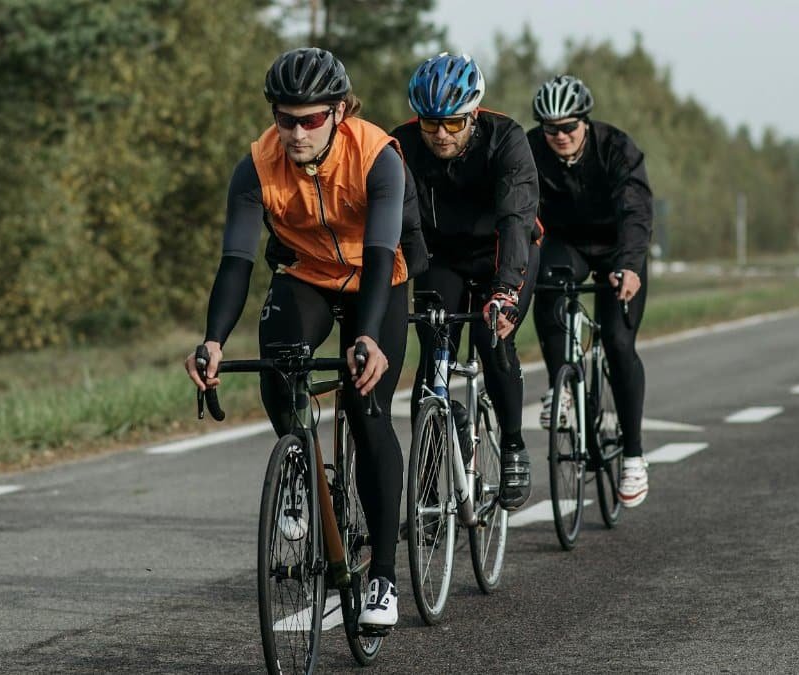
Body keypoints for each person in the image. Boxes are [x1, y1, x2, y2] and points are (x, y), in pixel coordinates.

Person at [184, 47, 427, 629]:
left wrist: (366, 336)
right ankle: (301, 470)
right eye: (284, 118)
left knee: (366, 407)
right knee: (278, 366)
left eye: (311, 119)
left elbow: (377, 252)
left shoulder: (377, 157)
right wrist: (214, 339)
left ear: (339, 112)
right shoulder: (256, 165)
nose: (295, 132)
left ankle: (385, 578)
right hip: (308, 274)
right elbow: (236, 261)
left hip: (378, 276)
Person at [390, 52, 541, 511]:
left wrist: (505, 291)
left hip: (503, 253)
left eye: (453, 124)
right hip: (442, 258)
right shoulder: (401, 144)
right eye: (431, 124)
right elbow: (392, 223)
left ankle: (513, 445)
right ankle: (428, 497)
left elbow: (517, 220)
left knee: (491, 338)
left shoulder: (507, 139)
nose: (440, 135)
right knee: (432, 358)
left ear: (474, 114)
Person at [527, 74, 653, 507]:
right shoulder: (531, 149)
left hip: (619, 244)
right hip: (569, 244)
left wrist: (631, 266)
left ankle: (634, 455)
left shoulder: (617, 148)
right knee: (546, 283)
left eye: (568, 128)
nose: (559, 137)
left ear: (585, 122)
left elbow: (636, 212)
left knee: (618, 342)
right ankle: (562, 387)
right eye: (551, 129)